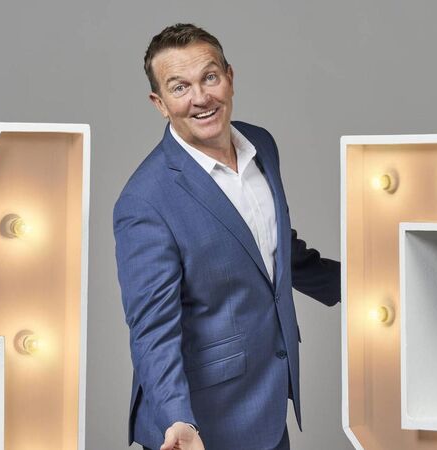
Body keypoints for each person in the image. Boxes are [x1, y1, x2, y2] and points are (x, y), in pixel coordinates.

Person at [113, 23, 340, 450]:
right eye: (180, 87)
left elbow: (273, 250)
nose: (201, 98)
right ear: (159, 103)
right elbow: (152, 329)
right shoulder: (144, 200)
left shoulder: (261, 145)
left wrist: (363, 285)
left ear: (230, 78)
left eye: (210, 77)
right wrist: (177, 418)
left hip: (266, 400)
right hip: (197, 424)